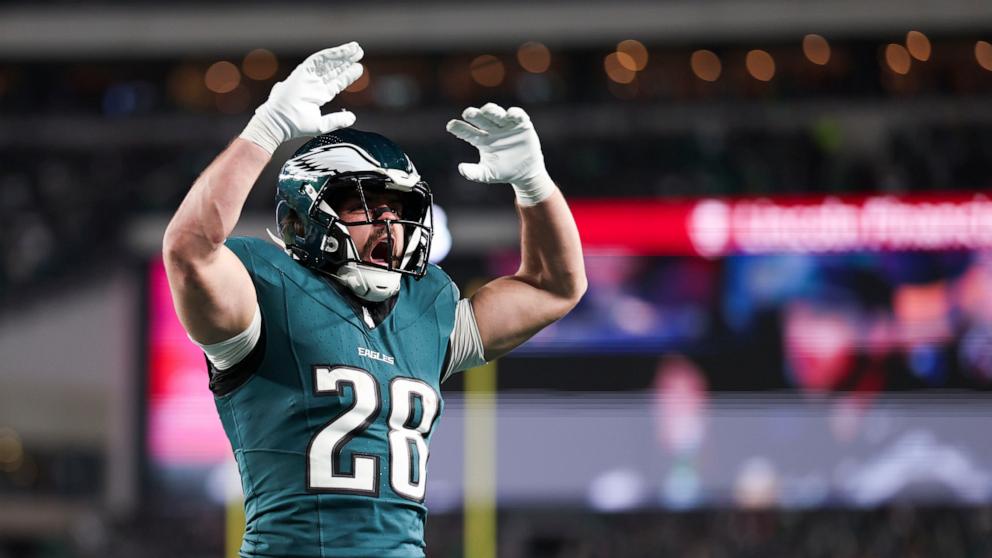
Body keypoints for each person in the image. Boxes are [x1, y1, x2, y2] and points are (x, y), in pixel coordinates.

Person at [162, 41, 586, 557]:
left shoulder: (427, 307)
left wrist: (533, 183)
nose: (390, 221)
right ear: (303, 216)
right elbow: (189, 248)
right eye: (368, 205)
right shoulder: (264, 289)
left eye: (399, 207)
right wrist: (266, 128)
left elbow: (555, 285)